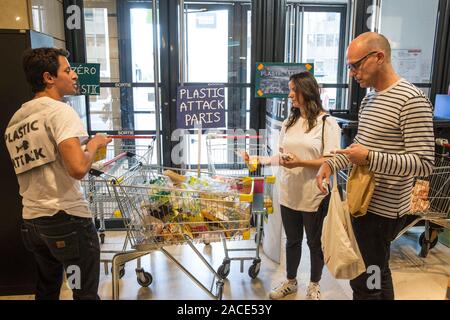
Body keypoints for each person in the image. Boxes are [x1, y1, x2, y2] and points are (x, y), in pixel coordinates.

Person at [316, 32, 435, 300]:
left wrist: (370, 157)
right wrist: (332, 164)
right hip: (362, 204)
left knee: (365, 280)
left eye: (356, 65)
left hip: (382, 212)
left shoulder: (411, 100)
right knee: (377, 271)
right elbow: (359, 146)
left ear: (378, 57)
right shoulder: (370, 99)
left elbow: (424, 162)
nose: (353, 73)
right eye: (350, 67)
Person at [4, 48, 112, 300]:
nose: (74, 75)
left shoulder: (16, 120)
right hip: (67, 217)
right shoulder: (60, 111)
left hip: (33, 222)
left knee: (47, 290)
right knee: (84, 292)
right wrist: (95, 144)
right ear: (48, 77)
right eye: (67, 70)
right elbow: (77, 169)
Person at [266, 72, 341, 300]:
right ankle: (290, 281)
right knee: (292, 240)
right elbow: (282, 151)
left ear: (306, 91)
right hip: (289, 190)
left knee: (314, 242)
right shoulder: (290, 121)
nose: (289, 95)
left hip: (314, 194)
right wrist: (275, 159)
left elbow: (332, 159)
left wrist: (300, 162)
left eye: (293, 90)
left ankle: (314, 284)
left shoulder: (327, 123)